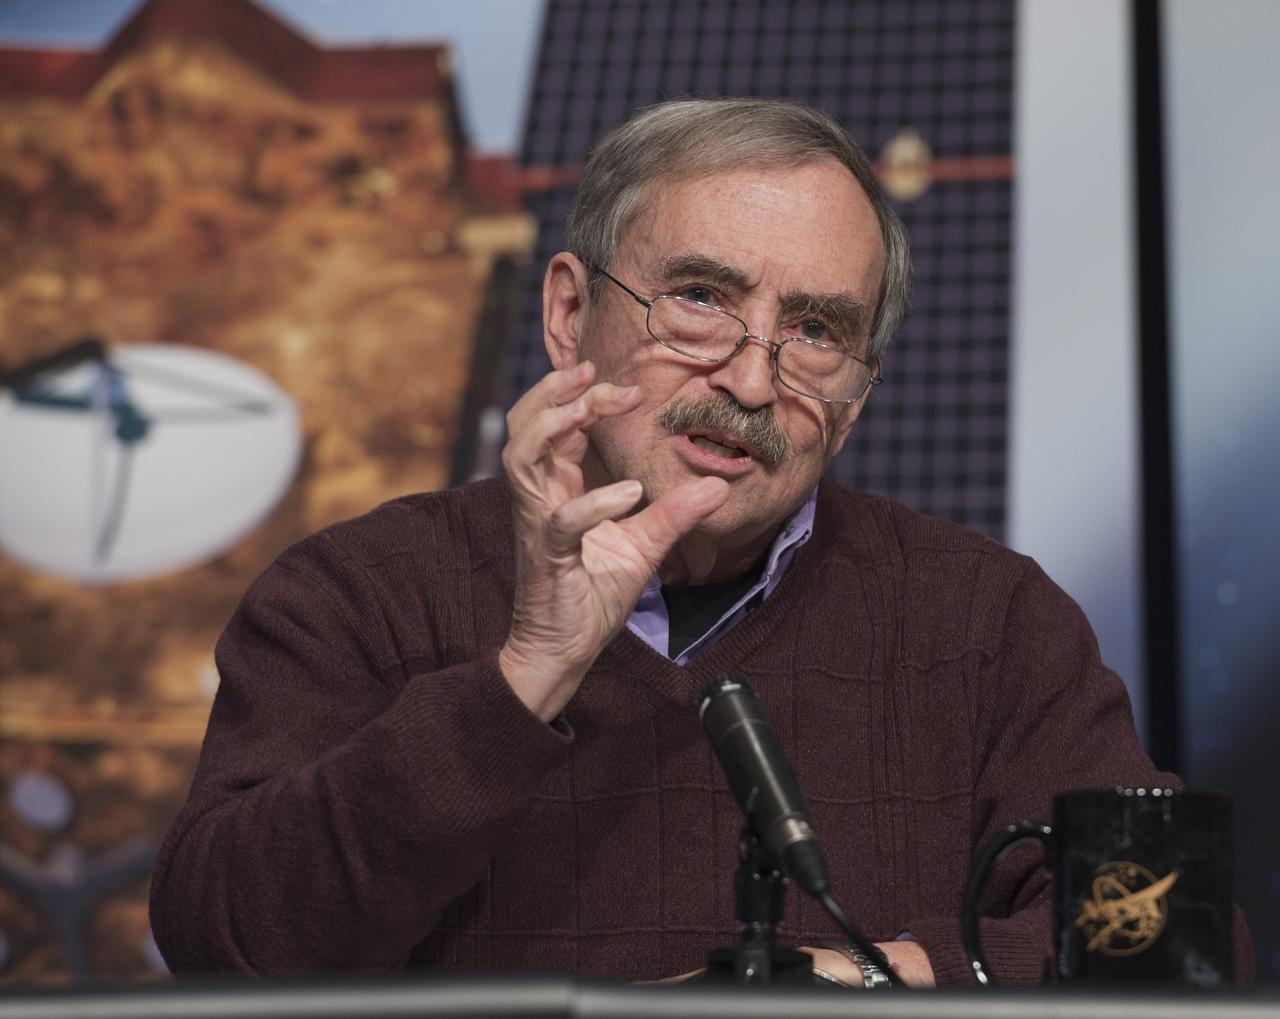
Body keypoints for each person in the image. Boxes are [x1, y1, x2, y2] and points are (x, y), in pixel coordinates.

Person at [150, 97, 1250, 987]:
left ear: (857, 400)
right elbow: (225, 943)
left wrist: (872, 979)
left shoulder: (987, 618)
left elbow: (1184, 937)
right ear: (568, 314)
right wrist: (524, 676)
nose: (752, 379)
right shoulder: (359, 589)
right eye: (700, 299)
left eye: (814, 330)